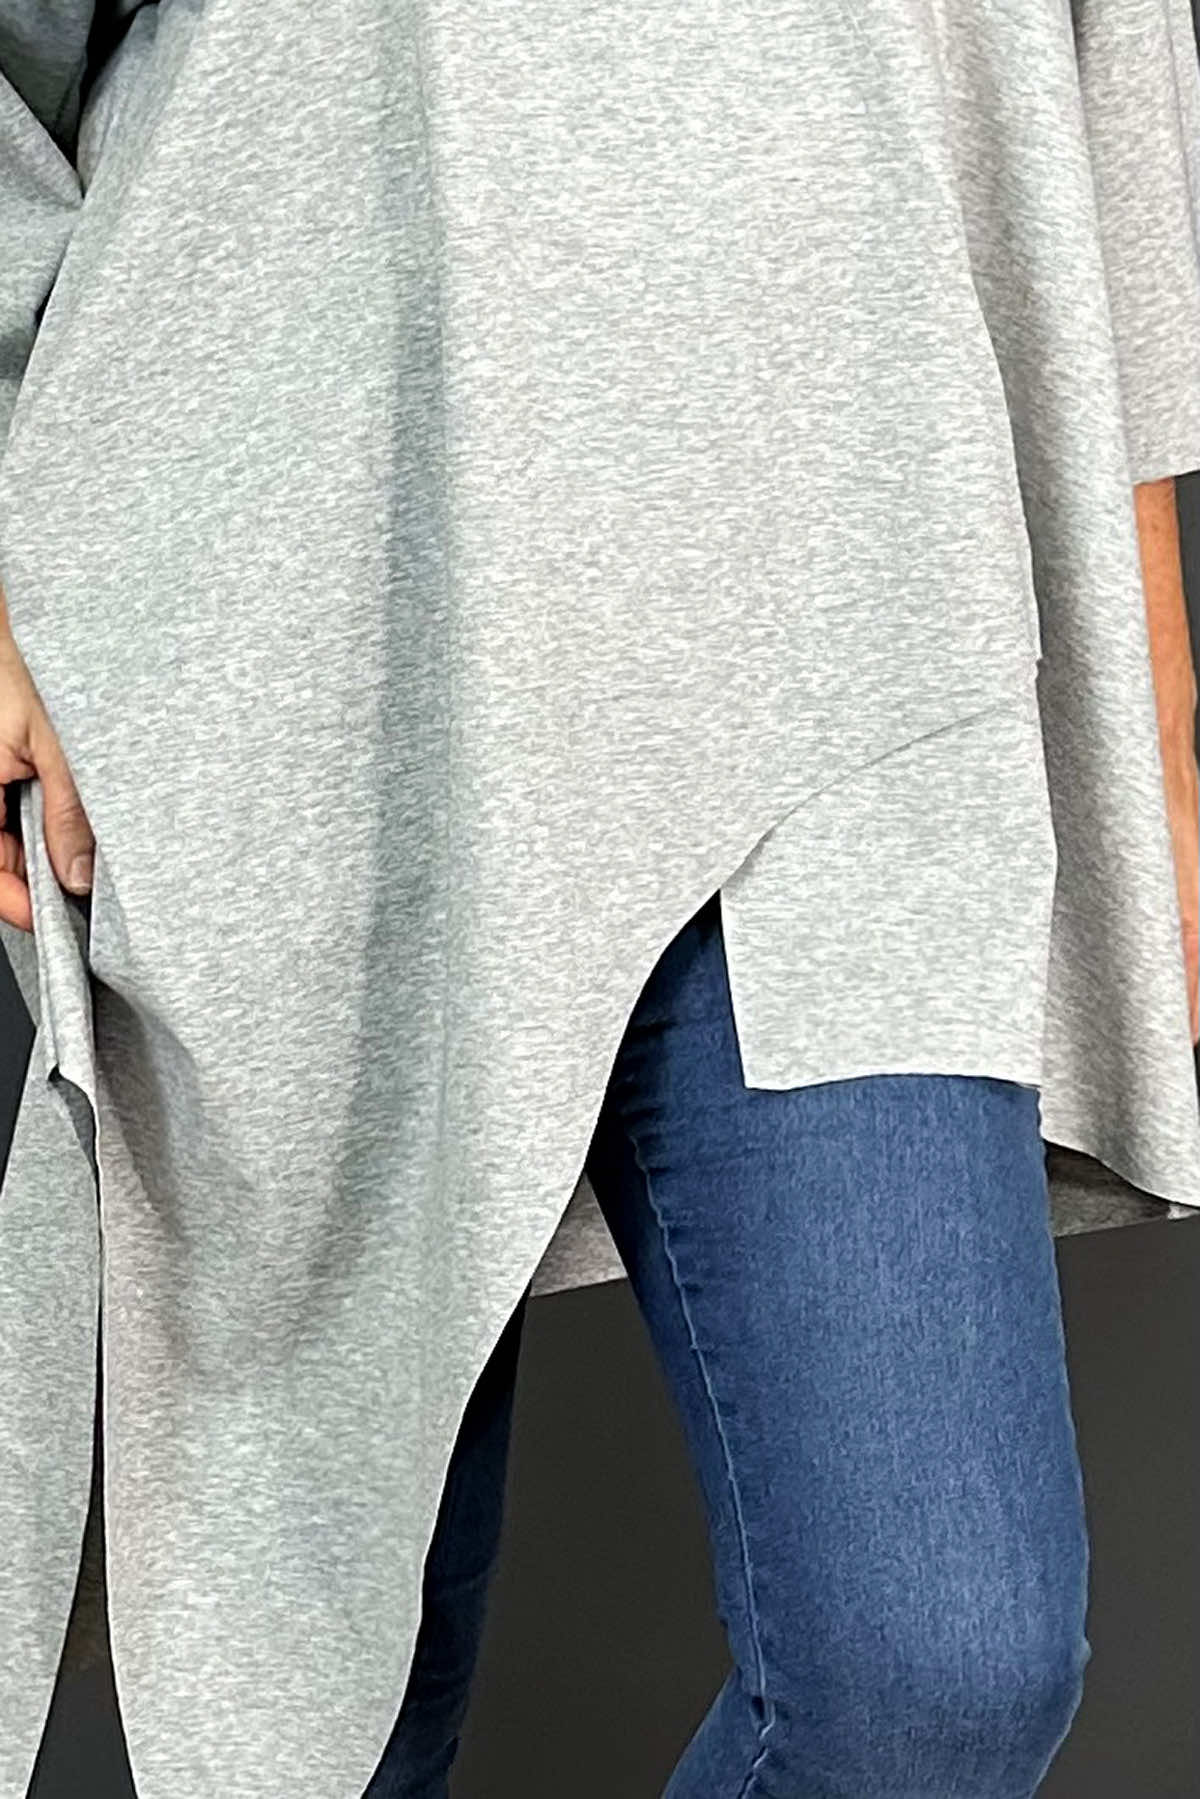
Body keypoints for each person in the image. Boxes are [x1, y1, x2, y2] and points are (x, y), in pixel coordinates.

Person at [0, 2, 1198, 1796]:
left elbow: (1109, 60)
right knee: (330, 1711)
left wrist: (1153, 689)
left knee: (932, 1662)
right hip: (315, 591)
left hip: (869, 615)